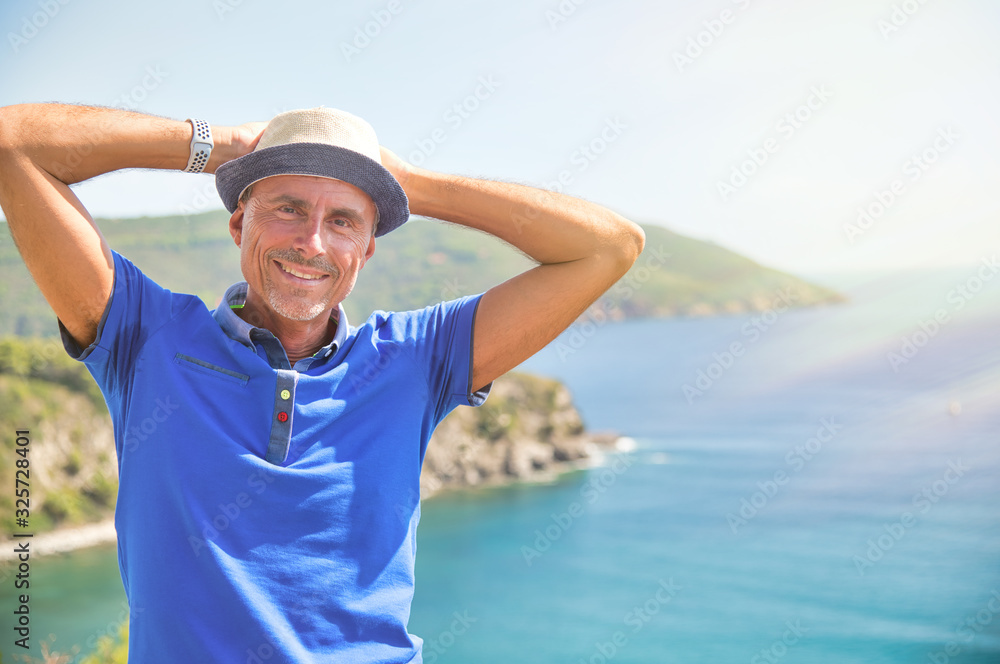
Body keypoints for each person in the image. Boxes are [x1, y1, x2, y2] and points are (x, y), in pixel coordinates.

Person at [0, 103, 644, 663]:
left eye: (343, 221)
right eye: (286, 208)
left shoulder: (417, 358)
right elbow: (14, 143)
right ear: (237, 225)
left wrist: (409, 184)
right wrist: (220, 148)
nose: (311, 243)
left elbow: (608, 247)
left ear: (366, 250)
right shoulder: (146, 336)